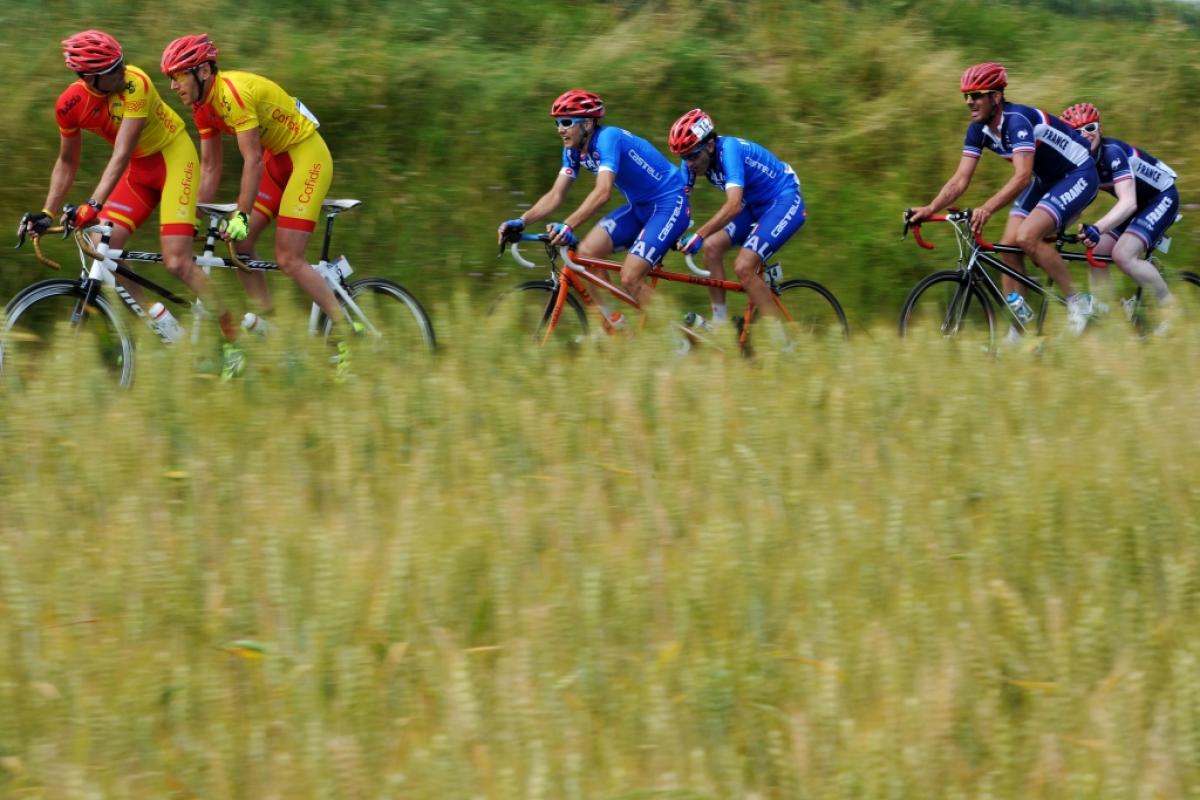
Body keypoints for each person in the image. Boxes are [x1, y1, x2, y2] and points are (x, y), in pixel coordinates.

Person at [18, 30, 234, 344]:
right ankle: (158, 319)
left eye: (121, 62)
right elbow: (66, 162)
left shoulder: (136, 83)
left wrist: (91, 205)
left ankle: (233, 335)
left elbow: (120, 153)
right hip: (139, 171)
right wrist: (47, 212)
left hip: (173, 158)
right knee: (100, 241)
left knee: (176, 261)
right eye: (113, 70)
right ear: (90, 78)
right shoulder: (69, 105)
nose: (123, 71)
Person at [159, 34, 347, 337]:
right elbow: (210, 167)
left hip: (306, 157)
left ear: (204, 71)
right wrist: (192, 217)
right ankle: (272, 329)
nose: (173, 85)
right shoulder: (201, 107)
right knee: (240, 245)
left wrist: (242, 215)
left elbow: (253, 159)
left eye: (179, 75)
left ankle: (347, 333)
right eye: (171, 77)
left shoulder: (232, 94)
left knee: (288, 256)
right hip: (277, 162)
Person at [906, 62, 1101, 336]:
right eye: (966, 96)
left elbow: (1021, 176)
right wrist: (930, 208)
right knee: (1008, 248)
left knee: (1027, 237)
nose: (969, 102)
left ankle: (1078, 302)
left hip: (1078, 174)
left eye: (976, 95)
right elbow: (960, 180)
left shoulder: (1017, 121)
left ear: (996, 97)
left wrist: (987, 208)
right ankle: (1018, 331)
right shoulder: (978, 130)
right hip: (1046, 180)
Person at [496, 89, 690, 311]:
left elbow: (602, 192)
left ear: (587, 124)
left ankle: (678, 339)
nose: (560, 129)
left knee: (630, 278)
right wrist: (522, 221)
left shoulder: (608, 139)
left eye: (567, 122)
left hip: (669, 204)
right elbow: (556, 194)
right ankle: (614, 324)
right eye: (557, 123)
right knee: (586, 254)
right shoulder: (572, 151)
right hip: (640, 207)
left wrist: (568, 225)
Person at [667, 108, 805, 325]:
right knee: (711, 247)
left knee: (743, 266)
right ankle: (721, 325)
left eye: (693, 155)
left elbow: (733, 206)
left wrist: (699, 234)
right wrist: (670, 232)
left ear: (710, 146)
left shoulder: (729, 151)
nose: (689, 163)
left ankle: (779, 341)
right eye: (684, 157)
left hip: (783, 200)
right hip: (754, 205)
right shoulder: (691, 164)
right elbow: (678, 200)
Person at [1060, 102, 1179, 330]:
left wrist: (1097, 228)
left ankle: (1173, 312)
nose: (1085, 135)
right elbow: (1077, 201)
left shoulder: (1112, 153)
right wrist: (1057, 229)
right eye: (1077, 132)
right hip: (1138, 204)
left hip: (1161, 198)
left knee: (1123, 255)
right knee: (1096, 251)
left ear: (1100, 129)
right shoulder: (1081, 162)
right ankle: (1108, 315)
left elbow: (1128, 202)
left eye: (1090, 128)